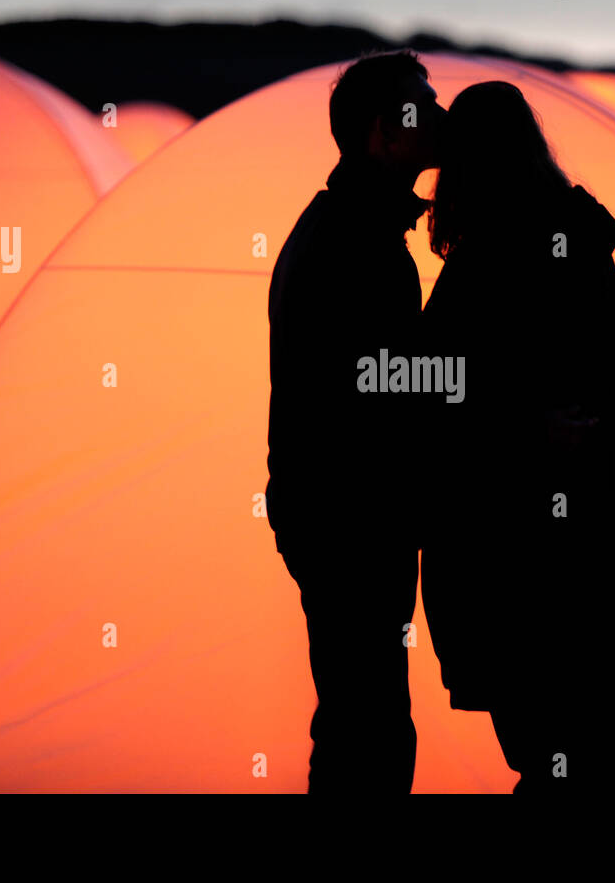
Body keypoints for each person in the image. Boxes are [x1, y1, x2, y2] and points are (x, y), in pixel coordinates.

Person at [421, 81, 615, 792]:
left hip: (505, 552)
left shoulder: (484, 261)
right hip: (567, 544)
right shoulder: (572, 241)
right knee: (589, 739)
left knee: (565, 746)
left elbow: (444, 396)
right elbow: (614, 389)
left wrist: (534, 436)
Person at [265, 51, 445, 793]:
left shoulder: (355, 230)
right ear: (382, 133)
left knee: (360, 720)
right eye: (422, 108)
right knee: (367, 729)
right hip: (349, 525)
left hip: (344, 519)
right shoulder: (354, 245)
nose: (439, 119)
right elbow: (376, 384)